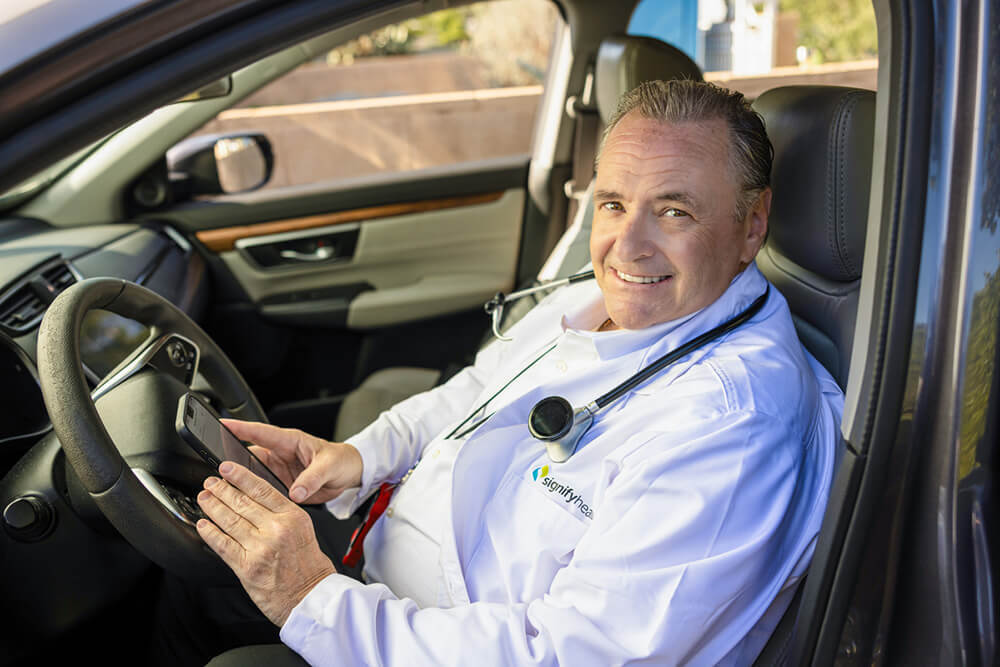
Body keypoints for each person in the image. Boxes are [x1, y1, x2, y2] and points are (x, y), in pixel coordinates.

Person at [192, 79, 844, 666]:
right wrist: (361, 456)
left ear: (751, 224)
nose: (628, 244)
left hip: (444, 638)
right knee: (195, 585)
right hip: (393, 586)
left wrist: (312, 599)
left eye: (674, 211)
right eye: (614, 204)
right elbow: (479, 388)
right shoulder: (606, 295)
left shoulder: (731, 425)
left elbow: (565, 654)